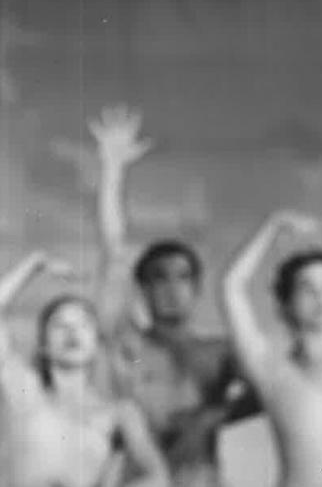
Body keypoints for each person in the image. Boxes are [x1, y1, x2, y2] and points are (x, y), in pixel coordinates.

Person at [90, 107, 259, 487]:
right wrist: (112, 171)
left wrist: (214, 415)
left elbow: (274, 391)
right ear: (143, 288)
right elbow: (113, 253)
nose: (170, 287)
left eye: (182, 277)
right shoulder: (127, 341)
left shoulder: (221, 353)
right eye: (158, 278)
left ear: (197, 288)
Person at [0, 251, 170, 487]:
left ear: (96, 344)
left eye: (83, 325)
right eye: (60, 325)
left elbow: (157, 477)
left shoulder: (119, 412)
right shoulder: (26, 393)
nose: (72, 333)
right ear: (44, 346)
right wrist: (35, 263)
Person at [222, 210, 322, 487]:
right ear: (285, 305)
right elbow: (231, 287)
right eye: (307, 288)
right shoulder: (271, 370)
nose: (321, 296)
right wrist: (272, 226)